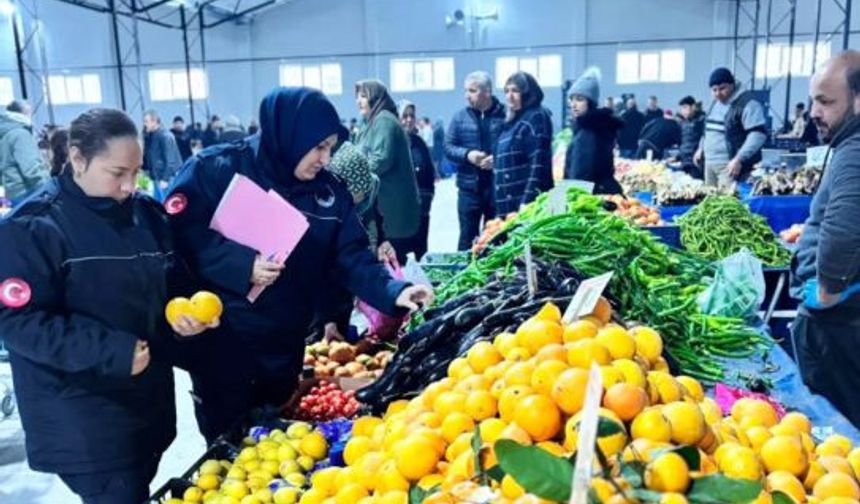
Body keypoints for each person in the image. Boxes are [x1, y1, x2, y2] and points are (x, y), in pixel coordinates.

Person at [166, 87, 432, 442]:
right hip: (223, 341)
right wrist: (241, 264)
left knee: (277, 445)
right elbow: (178, 234)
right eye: (318, 147)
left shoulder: (328, 193)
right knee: (225, 447)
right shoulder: (216, 169)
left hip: (284, 344)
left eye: (330, 148)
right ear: (290, 135)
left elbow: (351, 255)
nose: (325, 158)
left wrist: (395, 291)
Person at [0, 108, 215, 504]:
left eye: (136, 172)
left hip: (144, 408)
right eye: (118, 173)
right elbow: (18, 322)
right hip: (85, 417)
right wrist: (110, 351)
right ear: (77, 159)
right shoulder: (34, 228)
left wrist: (180, 313)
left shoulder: (145, 216)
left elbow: (169, 283)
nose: (130, 186)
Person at [790, 50, 860, 426]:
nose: (814, 111)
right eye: (814, 99)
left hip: (837, 330)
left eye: (826, 101)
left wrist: (828, 289)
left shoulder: (855, 150)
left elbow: (846, 229)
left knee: (839, 434)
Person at [355, 79, 421, 264]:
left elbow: (381, 159)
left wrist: (351, 179)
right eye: (357, 96)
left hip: (392, 210)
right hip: (380, 207)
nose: (358, 101)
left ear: (375, 97)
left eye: (363, 96)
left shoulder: (384, 120)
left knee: (395, 265)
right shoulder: (370, 124)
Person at [445, 70, 506, 250]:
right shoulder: (459, 118)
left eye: (472, 91)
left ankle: (492, 277)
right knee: (467, 238)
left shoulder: (505, 115)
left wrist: (498, 159)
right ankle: (465, 275)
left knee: (495, 238)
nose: (466, 96)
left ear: (487, 92)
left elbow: (514, 146)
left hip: (497, 189)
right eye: (466, 90)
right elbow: (448, 147)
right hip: (468, 190)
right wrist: (468, 155)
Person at [694, 67, 767, 189]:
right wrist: (701, 148)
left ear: (732, 85)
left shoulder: (748, 104)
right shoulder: (714, 103)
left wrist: (739, 158)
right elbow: (708, 129)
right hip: (709, 164)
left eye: (722, 88)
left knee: (728, 203)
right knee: (709, 202)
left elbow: (758, 135)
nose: (718, 93)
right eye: (714, 90)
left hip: (729, 166)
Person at [494, 71, 554, 215]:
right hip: (508, 204)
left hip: (525, 205)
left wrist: (527, 202)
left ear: (527, 93)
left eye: (515, 91)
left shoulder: (536, 116)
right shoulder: (513, 120)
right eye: (507, 91)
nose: (509, 96)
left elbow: (538, 163)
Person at [563, 67, 624, 194]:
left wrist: (557, 203)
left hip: (590, 199)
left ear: (590, 103)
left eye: (579, 99)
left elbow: (579, 178)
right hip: (604, 193)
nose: (573, 104)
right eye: (571, 99)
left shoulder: (587, 133)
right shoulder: (598, 128)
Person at [399, 101, 436, 260]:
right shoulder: (390, 143)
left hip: (421, 211)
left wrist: (427, 203)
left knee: (420, 252)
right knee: (402, 256)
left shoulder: (419, 142)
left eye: (411, 116)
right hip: (399, 215)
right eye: (404, 116)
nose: (408, 120)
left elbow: (429, 174)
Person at [0, 100, 49, 203]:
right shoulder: (20, 134)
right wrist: (49, 187)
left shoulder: (5, 133)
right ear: (24, 113)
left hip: (13, 191)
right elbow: (31, 168)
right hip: (27, 191)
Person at [142, 109, 183, 197]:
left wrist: (165, 179)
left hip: (166, 179)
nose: (145, 124)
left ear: (154, 121)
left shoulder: (165, 136)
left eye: (146, 121)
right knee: (160, 205)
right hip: (157, 178)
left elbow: (171, 160)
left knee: (167, 204)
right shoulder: (151, 137)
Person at [676, 95, 706, 178]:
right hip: (684, 161)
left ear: (693, 107)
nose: (683, 111)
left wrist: (701, 149)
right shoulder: (684, 123)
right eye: (682, 108)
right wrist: (677, 157)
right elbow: (684, 142)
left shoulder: (702, 120)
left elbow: (706, 136)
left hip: (696, 162)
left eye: (685, 107)